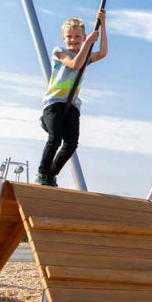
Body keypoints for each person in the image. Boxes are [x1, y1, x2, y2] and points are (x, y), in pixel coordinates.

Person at [35, 10, 108, 186]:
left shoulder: (85, 55)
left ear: (83, 38)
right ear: (63, 38)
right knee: (55, 139)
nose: (73, 40)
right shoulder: (59, 52)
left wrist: (103, 26)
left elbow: (103, 53)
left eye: (77, 37)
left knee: (71, 143)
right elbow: (75, 64)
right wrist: (88, 44)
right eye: (69, 37)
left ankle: (51, 174)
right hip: (54, 102)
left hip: (72, 105)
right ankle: (42, 173)